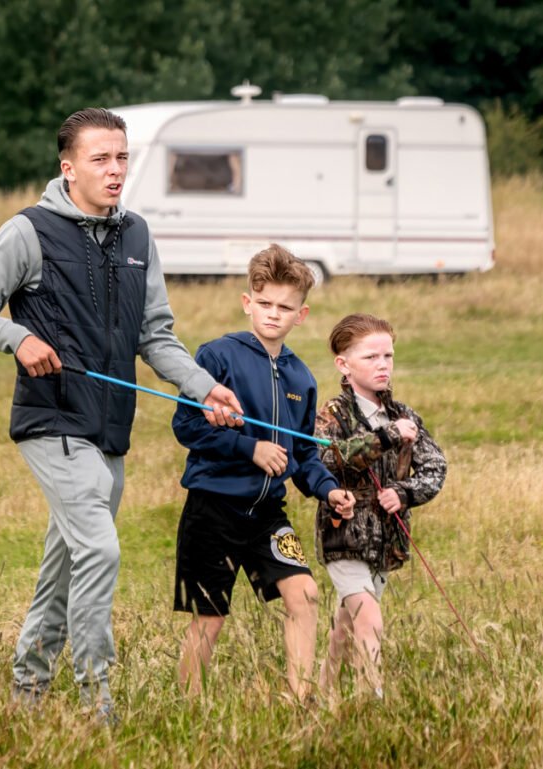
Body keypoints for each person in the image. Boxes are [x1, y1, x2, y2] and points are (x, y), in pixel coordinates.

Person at [0, 107, 243, 721]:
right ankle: (96, 699)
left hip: (111, 429)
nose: (114, 171)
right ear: (68, 167)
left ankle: (27, 690)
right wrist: (17, 339)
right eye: (100, 159)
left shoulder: (137, 236)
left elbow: (156, 336)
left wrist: (203, 386)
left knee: (68, 559)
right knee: (101, 551)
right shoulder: (29, 232)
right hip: (52, 421)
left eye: (122, 159)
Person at [171, 244, 355, 701]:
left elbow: (305, 455)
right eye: (265, 304)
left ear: (302, 314)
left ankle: (300, 699)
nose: (274, 314)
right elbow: (187, 425)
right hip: (213, 508)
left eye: (285, 308)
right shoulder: (217, 357)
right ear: (247, 302)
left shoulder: (302, 379)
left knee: (306, 595)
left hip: (268, 514)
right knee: (210, 615)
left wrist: (328, 491)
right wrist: (249, 448)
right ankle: (187, 705)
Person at [313, 313, 447, 702]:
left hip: (386, 542)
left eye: (388, 356)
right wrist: (386, 437)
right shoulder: (333, 414)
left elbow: (435, 466)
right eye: (371, 357)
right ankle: (371, 701)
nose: (383, 365)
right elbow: (326, 459)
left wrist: (404, 493)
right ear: (344, 364)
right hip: (345, 535)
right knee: (368, 617)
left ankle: (319, 694)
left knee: (347, 623)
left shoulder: (404, 415)